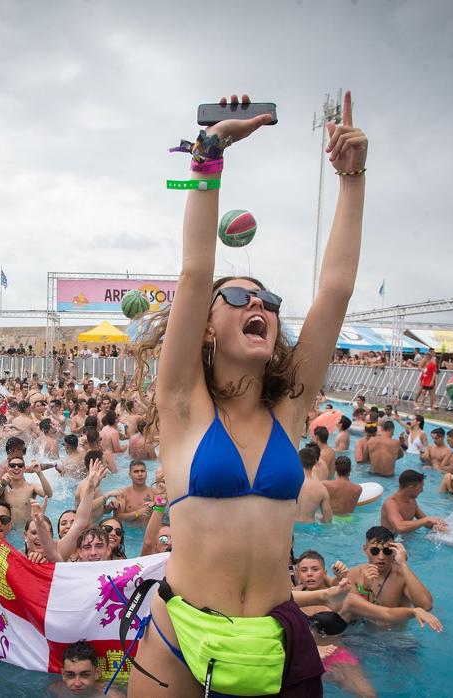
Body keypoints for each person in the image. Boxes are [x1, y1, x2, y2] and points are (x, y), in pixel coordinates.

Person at [126, 91, 365, 698]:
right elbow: (193, 271)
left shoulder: (290, 410)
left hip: (273, 632)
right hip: (180, 635)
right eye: (237, 297)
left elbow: (335, 289)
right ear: (207, 324)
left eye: (267, 301)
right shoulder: (183, 408)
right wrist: (210, 153)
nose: (257, 304)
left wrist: (352, 178)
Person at [342, 527, 439, 625]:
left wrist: (403, 564)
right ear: (365, 549)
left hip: (394, 637)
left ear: (394, 551)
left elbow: (426, 606)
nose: (381, 557)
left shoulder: (402, 577)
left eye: (387, 551)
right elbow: (352, 612)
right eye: (375, 551)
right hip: (360, 635)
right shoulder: (353, 574)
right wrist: (365, 588)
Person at [380, 470, 447, 534]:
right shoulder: (390, 504)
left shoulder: (412, 501)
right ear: (411, 487)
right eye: (420, 487)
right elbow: (400, 527)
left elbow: (425, 521)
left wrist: (436, 525)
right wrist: (427, 520)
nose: (422, 490)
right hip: (389, 540)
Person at [52, 640, 126, 697]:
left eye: (85, 675)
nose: (77, 683)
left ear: (97, 673)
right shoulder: (57, 689)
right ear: (63, 674)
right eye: (70, 675)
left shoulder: (111, 695)